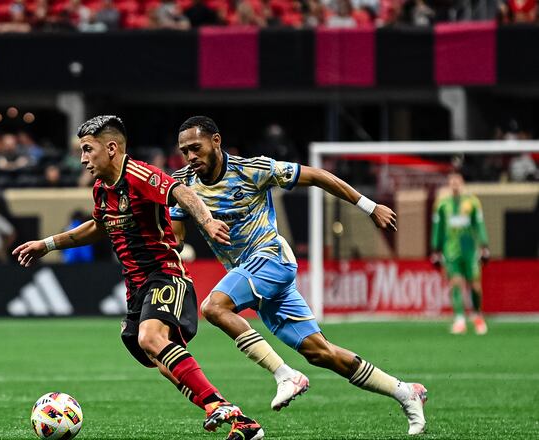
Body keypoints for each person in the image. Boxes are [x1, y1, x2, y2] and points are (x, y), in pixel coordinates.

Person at [170, 116, 428, 435]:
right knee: (321, 352)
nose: (191, 156)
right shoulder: (182, 185)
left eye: (196, 148)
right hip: (249, 273)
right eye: (185, 151)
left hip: (271, 258)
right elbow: (176, 238)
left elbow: (317, 175)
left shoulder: (252, 169)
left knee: (213, 307)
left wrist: (369, 206)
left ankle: (285, 375)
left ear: (216, 142)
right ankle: (405, 391)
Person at [13, 115, 264, 440]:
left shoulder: (140, 175)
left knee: (150, 338)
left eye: (88, 150)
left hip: (166, 275)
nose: (83, 159)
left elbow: (182, 193)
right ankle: (241, 421)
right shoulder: (103, 190)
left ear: (112, 148)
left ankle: (217, 405)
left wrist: (207, 220)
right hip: (137, 289)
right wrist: (47, 245)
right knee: (156, 355)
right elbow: (97, 227)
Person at [431, 171, 490, 335]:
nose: (455, 184)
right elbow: (438, 228)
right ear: (449, 184)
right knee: (455, 282)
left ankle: (477, 315)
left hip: (469, 248)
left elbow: (479, 224)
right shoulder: (442, 204)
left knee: (475, 285)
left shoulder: (472, 202)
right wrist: (435, 248)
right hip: (451, 249)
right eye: (452, 181)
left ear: (462, 182)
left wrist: (484, 245)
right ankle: (459, 319)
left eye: (457, 181)